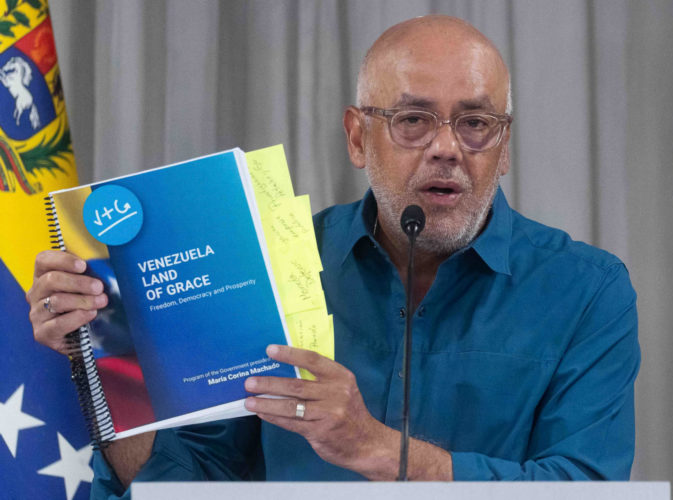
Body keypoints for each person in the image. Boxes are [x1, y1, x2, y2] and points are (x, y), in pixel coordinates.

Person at [26, 15, 639, 496]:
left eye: (476, 122)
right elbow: (190, 483)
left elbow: (586, 488)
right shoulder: (265, 261)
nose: (448, 148)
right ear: (356, 136)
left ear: (503, 147)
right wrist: (98, 352)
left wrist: (376, 448)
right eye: (413, 119)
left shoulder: (588, 290)